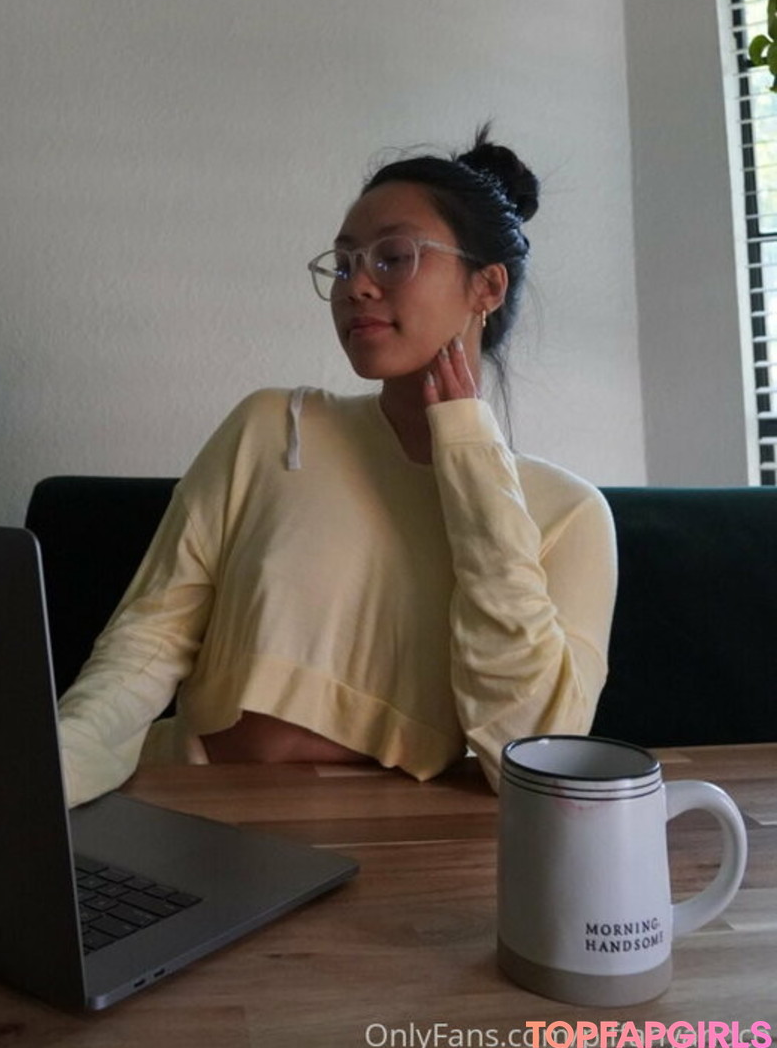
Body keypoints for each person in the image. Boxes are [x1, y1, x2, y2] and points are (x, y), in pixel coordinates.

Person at [57, 127, 617, 807]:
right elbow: (148, 639)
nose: (358, 287)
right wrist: (50, 774)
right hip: (194, 805)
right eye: (345, 264)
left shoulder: (569, 514)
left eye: (393, 258)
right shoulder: (274, 426)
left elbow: (529, 757)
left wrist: (470, 455)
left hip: (388, 837)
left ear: (487, 286)